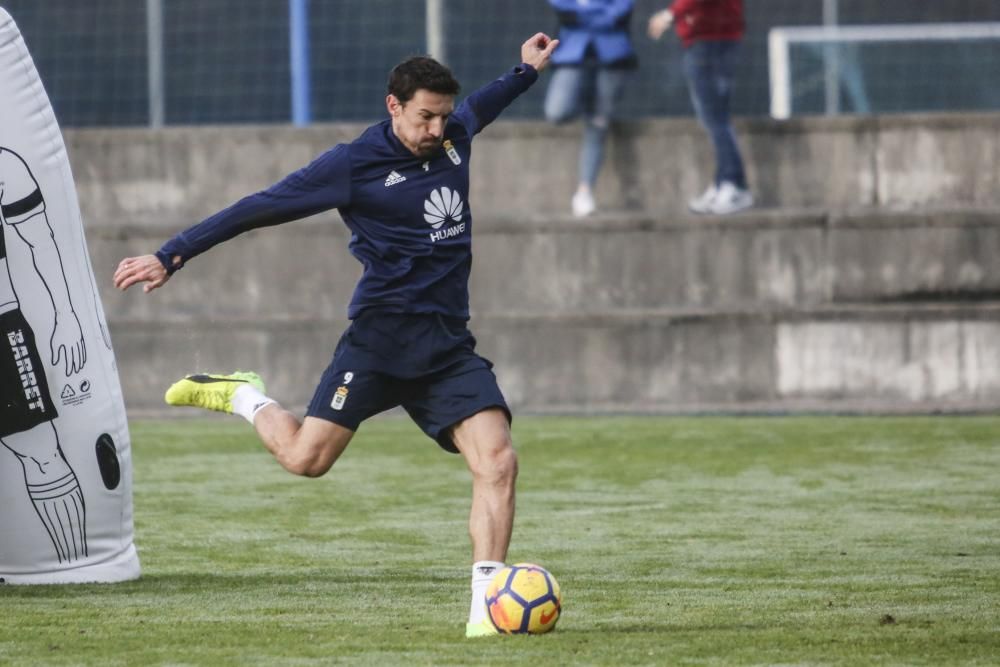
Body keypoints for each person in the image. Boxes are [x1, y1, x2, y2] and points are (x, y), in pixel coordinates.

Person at [113, 33, 559, 638]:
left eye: (443, 116)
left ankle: (488, 606)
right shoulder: (352, 164)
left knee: (499, 462)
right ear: (393, 106)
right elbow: (260, 205)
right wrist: (172, 254)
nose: (436, 129)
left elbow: (487, 101)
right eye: (424, 116)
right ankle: (244, 394)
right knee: (305, 460)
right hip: (378, 342)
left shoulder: (455, 135)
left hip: (448, 346)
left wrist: (526, 70)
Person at [1, 147, 89, 564]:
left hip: (1, 325)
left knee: (40, 451)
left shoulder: (4, 164)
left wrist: (66, 315)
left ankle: (74, 567)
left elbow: (41, 241)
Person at [648, 0, 753, 215]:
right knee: (717, 118)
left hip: (708, 40)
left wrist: (669, 15)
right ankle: (724, 182)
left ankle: (734, 185)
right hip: (719, 36)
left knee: (714, 118)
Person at [545, 0, 637, 218]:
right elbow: (562, 7)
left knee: (597, 124)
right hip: (573, 52)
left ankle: (584, 191)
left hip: (613, 56)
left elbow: (621, 9)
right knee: (557, 111)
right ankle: (587, 104)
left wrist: (585, 13)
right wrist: (599, 14)